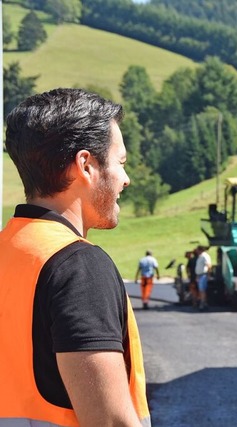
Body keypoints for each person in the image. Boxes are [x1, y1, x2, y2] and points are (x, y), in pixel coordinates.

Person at [0, 88, 151, 426]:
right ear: (86, 165)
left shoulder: (8, 253)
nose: (125, 180)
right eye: (120, 163)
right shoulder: (78, 266)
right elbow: (111, 421)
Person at [194, 245, 212, 310]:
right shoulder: (200, 256)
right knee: (201, 290)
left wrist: (209, 275)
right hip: (199, 275)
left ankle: (202, 303)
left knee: (202, 290)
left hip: (203, 275)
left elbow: (209, 265)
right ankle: (204, 302)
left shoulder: (205, 256)